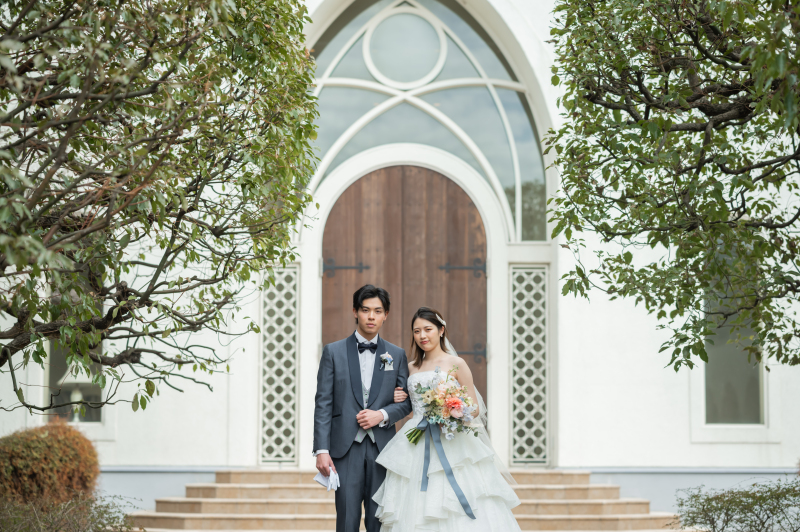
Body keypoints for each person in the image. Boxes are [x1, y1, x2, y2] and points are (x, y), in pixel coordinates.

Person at [372, 307, 522, 531]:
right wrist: (399, 397)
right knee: (415, 503)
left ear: (441, 330)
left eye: (428, 329)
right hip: (415, 439)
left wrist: (454, 413)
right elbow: (409, 408)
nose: (422, 336)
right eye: (416, 331)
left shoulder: (457, 363)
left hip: (452, 439)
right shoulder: (410, 367)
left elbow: (475, 407)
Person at [313, 284, 413, 532]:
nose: (371, 316)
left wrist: (382, 414)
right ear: (355, 312)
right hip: (345, 449)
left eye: (377, 311)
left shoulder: (397, 354)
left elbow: (408, 402)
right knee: (346, 519)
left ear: (385, 315)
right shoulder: (333, 352)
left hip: (384, 449)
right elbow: (323, 402)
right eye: (366, 310)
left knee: (378, 520)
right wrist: (321, 450)